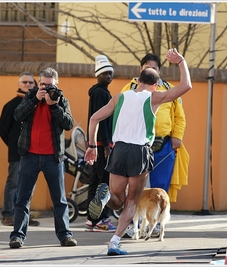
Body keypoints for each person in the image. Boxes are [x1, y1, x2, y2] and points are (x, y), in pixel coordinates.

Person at [85, 48, 191, 256]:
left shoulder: (119, 97)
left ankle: (105, 197)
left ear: (139, 79)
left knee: (117, 197)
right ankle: (114, 242)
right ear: (155, 84)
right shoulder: (154, 98)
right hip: (139, 151)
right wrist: (181, 62)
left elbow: (94, 119)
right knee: (132, 201)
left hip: (119, 150)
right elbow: (186, 86)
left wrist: (91, 146)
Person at [120, 53, 189, 238]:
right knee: (133, 188)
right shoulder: (130, 88)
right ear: (141, 69)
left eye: (155, 68)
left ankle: (155, 225)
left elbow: (179, 117)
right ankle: (129, 224)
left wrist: (177, 136)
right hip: (136, 144)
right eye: (147, 67)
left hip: (164, 145)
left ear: (159, 70)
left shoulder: (168, 89)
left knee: (159, 188)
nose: (151, 70)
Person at [9, 67, 77, 248]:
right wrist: (34, 100)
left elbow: (68, 124)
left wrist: (53, 105)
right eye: (43, 85)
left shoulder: (61, 100)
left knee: (59, 199)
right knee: (22, 198)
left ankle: (65, 235)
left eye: (50, 86)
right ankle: (17, 236)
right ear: (38, 83)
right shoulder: (30, 97)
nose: (46, 89)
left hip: (53, 157)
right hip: (29, 155)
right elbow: (17, 115)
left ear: (57, 85)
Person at [0, 71, 40, 227]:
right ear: (19, 84)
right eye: (25, 82)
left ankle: (23, 215)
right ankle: (8, 214)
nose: (28, 85)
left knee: (28, 184)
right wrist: (13, 145)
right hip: (17, 152)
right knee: (13, 183)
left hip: (35, 152)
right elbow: (2, 129)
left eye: (31, 83)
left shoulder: (38, 104)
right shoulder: (11, 105)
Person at [85, 55, 116, 232]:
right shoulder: (100, 93)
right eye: (105, 73)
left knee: (96, 181)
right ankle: (100, 219)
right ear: (98, 75)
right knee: (103, 182)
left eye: (110, 73)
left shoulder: (101, 92)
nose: (108, 76)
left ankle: (92, 220)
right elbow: (100, 120)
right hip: (100, 144)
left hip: (97, 143)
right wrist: (105, 145)